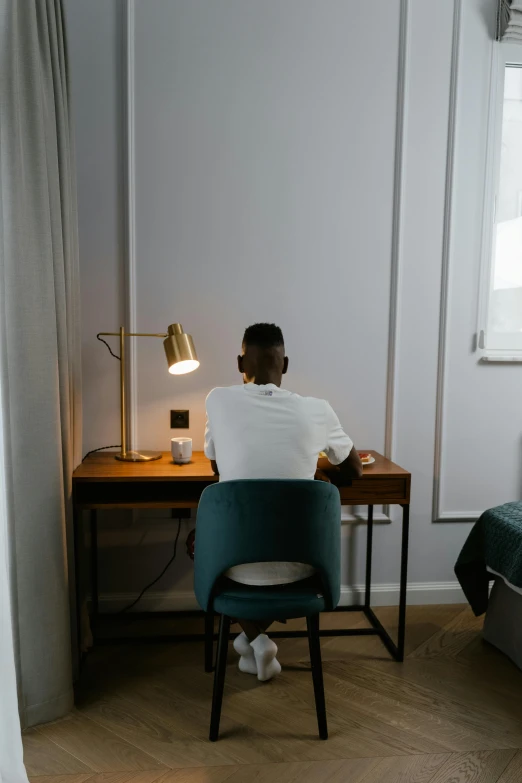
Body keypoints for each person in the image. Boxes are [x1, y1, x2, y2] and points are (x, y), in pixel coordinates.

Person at [204, 323, 362, 681]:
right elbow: (354, 469)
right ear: (285, 364)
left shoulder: (217, 400)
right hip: (305, 565)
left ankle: (255, 639)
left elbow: (216, 463)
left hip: (233, 564)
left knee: (198, 543)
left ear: (240, 363)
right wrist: (313, 468)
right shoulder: (318, 409)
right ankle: (256, 642)